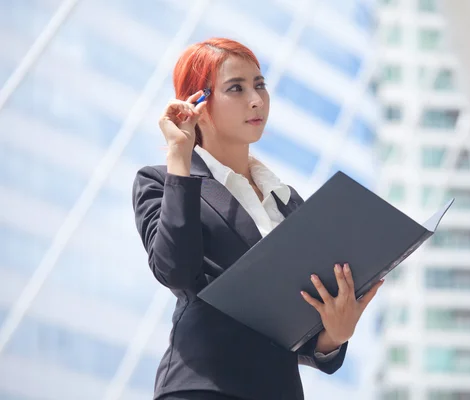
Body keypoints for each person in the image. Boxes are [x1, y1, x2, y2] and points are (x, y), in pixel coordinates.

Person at [132, 37, 384, 400]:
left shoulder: (287, 201)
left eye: (260, 85)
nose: (257, 99)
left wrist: (335, 333)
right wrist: (179, 157)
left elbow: (301, 323)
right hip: (204, 388)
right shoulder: (164, 181)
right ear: (197, 106)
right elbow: (175, 270)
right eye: (236, 88)